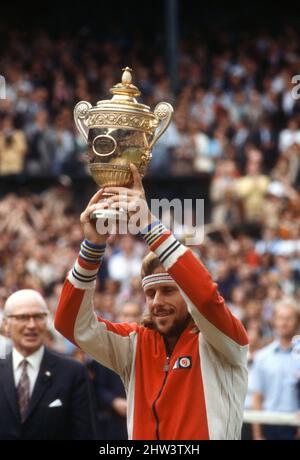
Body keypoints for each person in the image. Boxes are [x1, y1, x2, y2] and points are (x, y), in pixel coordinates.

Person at [55, 164, 249, 440]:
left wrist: (148, 224)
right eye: (150, 293)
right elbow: (69, 324)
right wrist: (92, 246)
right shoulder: (134, 343)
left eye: (169, 291)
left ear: (187, 295)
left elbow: (205, 297)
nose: (157, 301)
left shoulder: (223, 340)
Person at [0, 289, 96, 440]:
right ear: (6, 325)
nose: (31, 325)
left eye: (38, 317)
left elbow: (84, 434)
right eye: (23, 317)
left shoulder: (73, 373)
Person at [251, 299, 300, 440]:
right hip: (268, 424)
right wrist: (257, 434)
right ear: (274, 321)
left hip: (295, 425)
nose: (284, 322)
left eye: (289, 318)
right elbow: (257, 398)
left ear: (297, 321)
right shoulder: (262, 357)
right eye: (280, 318)